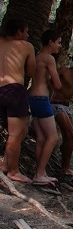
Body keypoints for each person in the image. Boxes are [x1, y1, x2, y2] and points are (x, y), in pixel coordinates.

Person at [0, 19, 36, 183]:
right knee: (16, 133)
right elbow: (31, 71)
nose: (27, 35)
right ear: (19, 32)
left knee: (22, 132)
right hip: (14, 90)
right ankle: (13, 171)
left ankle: (5, 164)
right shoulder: (26, 46)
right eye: (26, 31)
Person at [28, 30, 62, 185]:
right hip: (41, 99)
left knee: (41, 138)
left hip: (32, 97)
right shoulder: (48, 58)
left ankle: (40, 172)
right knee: (53, 137)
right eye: (58, 42)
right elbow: (58, 84)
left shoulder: (37, 56)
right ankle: (40, 174)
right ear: (51, 42)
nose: (59, 46)